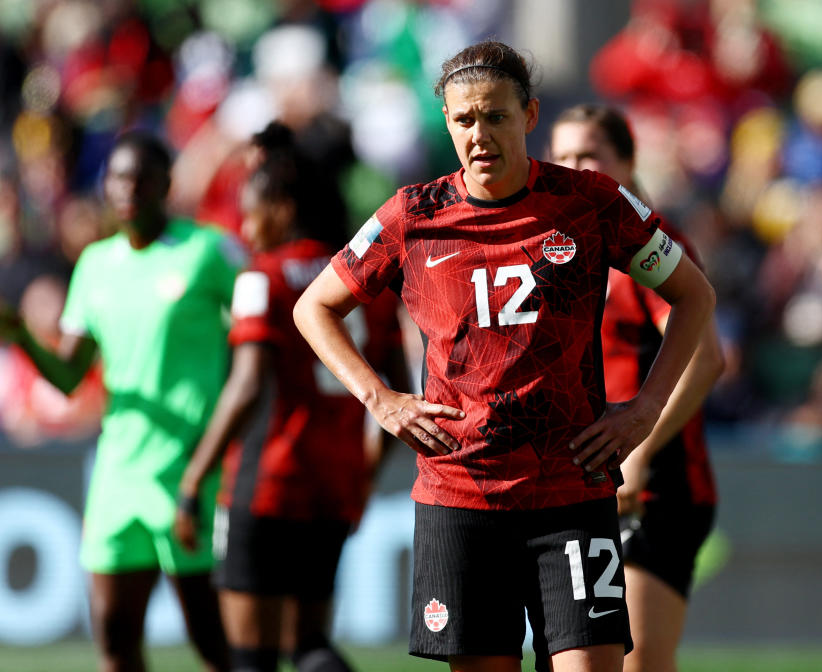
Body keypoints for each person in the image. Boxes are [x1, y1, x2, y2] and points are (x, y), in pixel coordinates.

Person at [293, 40, 716, 672]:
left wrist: (646, 410)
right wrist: (378, 398)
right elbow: (313, 308)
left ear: (530, 116)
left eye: (496, 116)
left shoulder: (591, 202)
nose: (480, 133)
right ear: (446, 121)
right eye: (464, 119)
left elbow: (694, 296)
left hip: (572, 490)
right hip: (461, 496)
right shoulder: (413, 215)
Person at [0, 131, 236, 672]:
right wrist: (23, 336)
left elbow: (263, 329)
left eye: (139, 178)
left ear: (165, 186)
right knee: (113, 643)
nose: (126, 188)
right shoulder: (95, 264)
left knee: (212, 644)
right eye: (117, 178)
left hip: (188, 472)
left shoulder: (208, 250)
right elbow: (69, 376)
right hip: (117, 472)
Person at [173, 128, 404, 672]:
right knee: (311, 647)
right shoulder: (358, 283)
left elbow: (248, 384)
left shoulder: (263, 277)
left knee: (250, 659)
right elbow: (399, 388)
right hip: (335, 483)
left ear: (280, 208)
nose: (247, 230)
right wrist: (367, 473)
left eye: (251, 215)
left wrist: (192, 479)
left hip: (266, 483)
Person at [550, 104, 724, 672]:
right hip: (579, 485)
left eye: (590, 155)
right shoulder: (555, 248)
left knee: (638, 660)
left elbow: (707, 357)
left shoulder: (649, 245)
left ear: (626, 161)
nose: (576, 167)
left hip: (657, 483)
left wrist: (643, 451)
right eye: (564, 155)